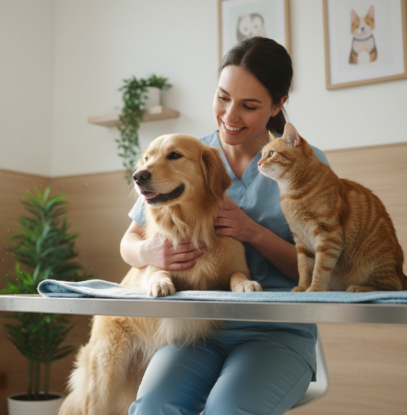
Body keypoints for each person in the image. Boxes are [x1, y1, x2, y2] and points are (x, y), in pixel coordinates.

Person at [121, 37, 331, 415]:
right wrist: (148, 252)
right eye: (222, 98)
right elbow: (129, 241)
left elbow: (324, 270)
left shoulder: (306, 164)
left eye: (249, 106)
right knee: (153, 407)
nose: (230, 116)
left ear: (278, 104)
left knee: (227, 409)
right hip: (192, 331)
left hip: (275, 332)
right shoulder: (183, 152)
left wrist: (253, 233)